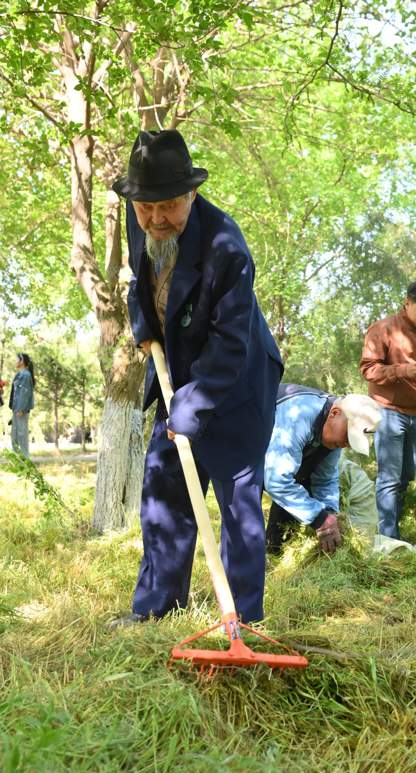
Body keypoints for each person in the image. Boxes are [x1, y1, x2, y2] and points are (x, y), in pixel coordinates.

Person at [110, 129, 283, 627]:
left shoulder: (227, 249)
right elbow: (138, 281)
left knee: (238, 506)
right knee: (164, 489)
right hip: (176, 372)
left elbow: (231, 343)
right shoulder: (139, 211)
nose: (156, 219)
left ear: (191, 194)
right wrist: (143, 324)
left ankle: (243, 620)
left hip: (238, 384)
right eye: (147, 209)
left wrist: (193, 408)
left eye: (169, 206)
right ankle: (156, 608)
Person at [360, 281, 416, 550]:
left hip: (415, 414)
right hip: (387, 411)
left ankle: (392, 532)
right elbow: (368, 369)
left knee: (407, 476)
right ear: (407, 302)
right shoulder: (383, 328)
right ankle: (387, 541)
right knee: (389, 477)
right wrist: (403, 370)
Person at [264, 383, 381, 556]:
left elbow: (325, 479)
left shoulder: (333, 434)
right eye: (348, 437)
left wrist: (330, 514)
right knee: (247, 513)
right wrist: (319, 519)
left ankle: (273, 553)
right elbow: (277, 481)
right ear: (335, 413)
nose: (346, 444)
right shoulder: (299, 414)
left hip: (271, 458)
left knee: (303, 480)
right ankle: (240, 569)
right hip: (240, 447)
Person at [8, 353, 35, 458]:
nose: (15, 361)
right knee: (14, 436)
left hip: (21, 410)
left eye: (16, 360)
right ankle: (17, 461)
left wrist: (21, 409)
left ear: (22, 361)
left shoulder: (26, 375)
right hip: (16, 409)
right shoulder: (20, 374)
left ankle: (26, 461)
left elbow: (25, 393)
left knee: (22, 436)